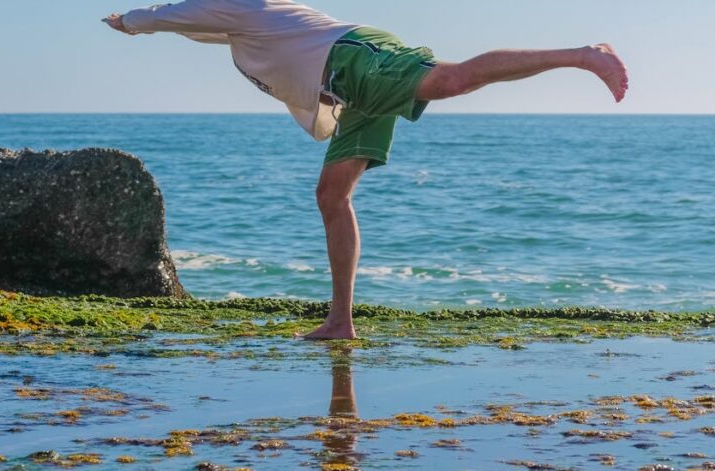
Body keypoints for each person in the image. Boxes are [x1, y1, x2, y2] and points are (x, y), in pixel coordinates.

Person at [105, 0, 628, 341]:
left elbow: (172, 14)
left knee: (453, 80)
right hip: (351, 86)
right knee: (332, 196)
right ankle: (340, 321)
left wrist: (129, 22)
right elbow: (191, 23)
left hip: (355, 61)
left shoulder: (240, 6)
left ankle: (582, 55)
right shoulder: (240, 27)